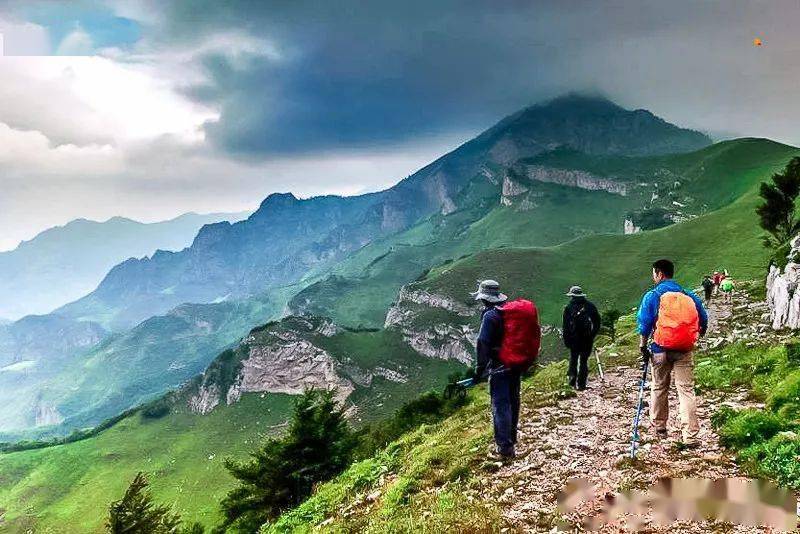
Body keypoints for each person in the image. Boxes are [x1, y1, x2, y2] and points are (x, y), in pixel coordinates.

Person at [637, 259, 708, 447]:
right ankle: (691, 436)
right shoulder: (688, 295)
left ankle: (660, 427)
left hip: (660, 349)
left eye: (654, 273)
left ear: (659, 274)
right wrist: (695, 335)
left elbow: (644, 324)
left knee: (660, 386)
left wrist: (643, 346)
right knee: (685, 390)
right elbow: (704, 319)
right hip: (684, 349)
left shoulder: (653, 295)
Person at [473, 279, 540, 459]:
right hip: (515, 364)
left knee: (500, 405)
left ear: (484, 298)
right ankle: (511, 440)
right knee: (513, 401)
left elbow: (483, 342)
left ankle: (504, 449)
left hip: (499, 367)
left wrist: (479, 369)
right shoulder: (508, 311)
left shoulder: (490, 316)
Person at [562, 285, 601, 391]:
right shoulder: (590, 306)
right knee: (583, 361)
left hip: (574, 338)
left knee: (573, 359)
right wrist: (592, 334)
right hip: (587, 338)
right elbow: (597, 322)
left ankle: (572, 381)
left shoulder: (568, 308)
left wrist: (566, 339)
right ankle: (582, 384)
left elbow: (565, 326)